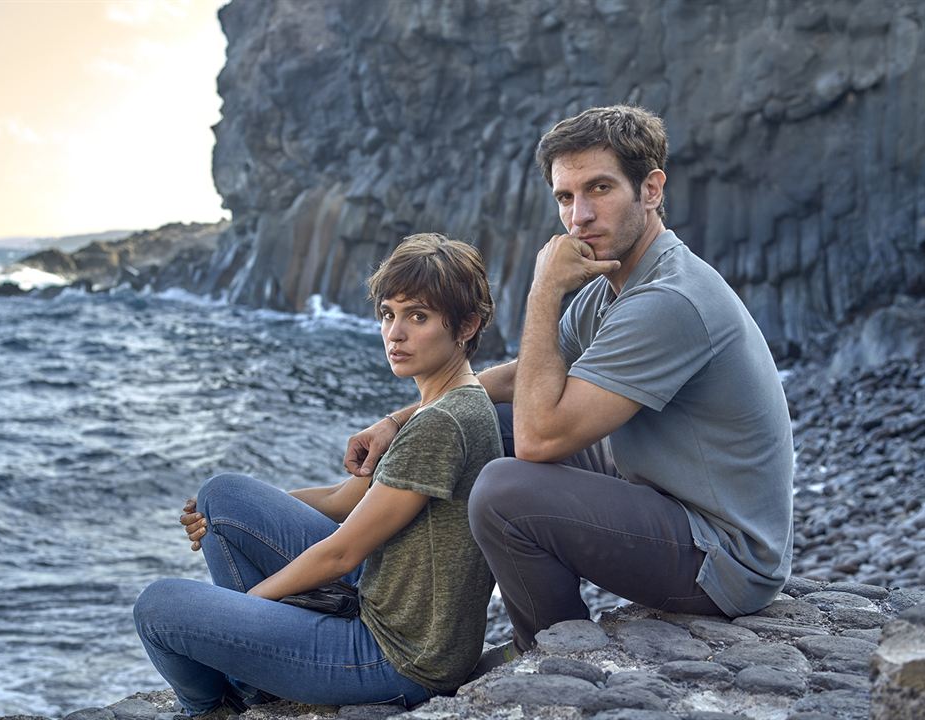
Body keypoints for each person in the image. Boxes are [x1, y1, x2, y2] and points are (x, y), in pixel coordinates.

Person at [344, 105, 794, 656]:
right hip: (663, 496)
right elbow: (521, 379)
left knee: (504, 491)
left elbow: (540, 439)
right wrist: (398, 421)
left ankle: (553, 652)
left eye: (599, 188)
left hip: (724, 556)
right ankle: (399, 615)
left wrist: (542, 291)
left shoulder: (667, 300)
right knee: (478, 423)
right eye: (565, 196)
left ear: (650, 189)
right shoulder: (615, 286)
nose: (579, 217)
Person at [134, 233, 503, 714]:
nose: (395, 333)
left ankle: (213, 704)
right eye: (388, 314)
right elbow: (342, 502)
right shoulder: (449, 405)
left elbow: (341, 551)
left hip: (394, 658)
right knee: (222, 495)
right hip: (388, 600)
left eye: (418, 317)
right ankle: (256, 675)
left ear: (466, 325)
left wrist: (248, 611)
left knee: (158, 607)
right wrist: (223, 519)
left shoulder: (440, 424)